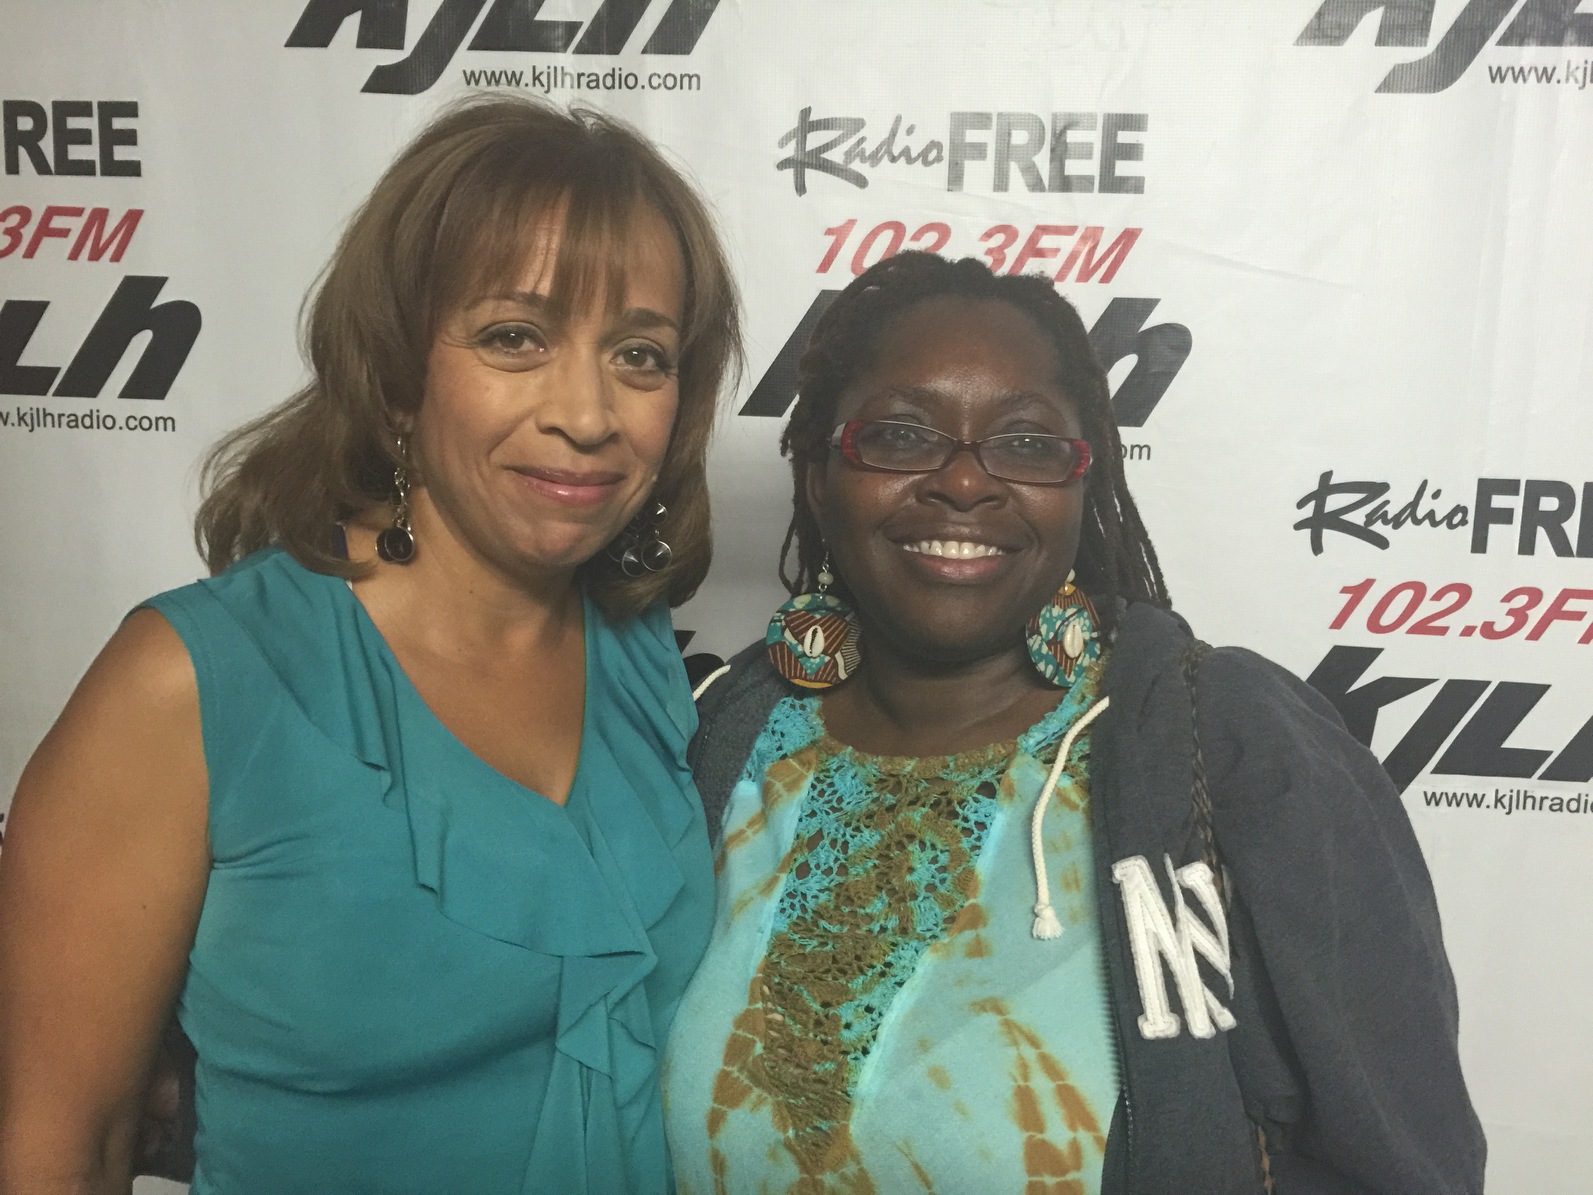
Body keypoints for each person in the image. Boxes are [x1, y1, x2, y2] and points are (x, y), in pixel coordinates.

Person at [0, 95, 740, 1195]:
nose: (588, 414)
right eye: (515, 337)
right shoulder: (192, 682)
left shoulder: (645, 666)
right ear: (396, 371)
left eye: (640, 354)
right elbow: (68, 1146)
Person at [662, 252, 1484, 1193]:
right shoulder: (720, 740)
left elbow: (1398, 1156)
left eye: (1025, 443)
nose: (962, 482)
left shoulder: (1232, 740)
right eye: (900, 435)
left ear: (1083, 480)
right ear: (818, 474)